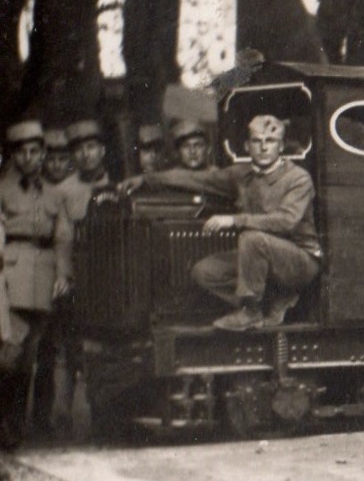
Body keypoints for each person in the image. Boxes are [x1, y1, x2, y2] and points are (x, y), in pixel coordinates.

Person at [125, 115, 320, 332]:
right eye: (257, 141)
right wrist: (146, 179)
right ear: (247, 146)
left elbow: (286, 221)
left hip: (299, 262)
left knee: (252, 238)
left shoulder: (298, 178)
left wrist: (234, 220)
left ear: (281, 146)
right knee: (204, 272)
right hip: (260, 260)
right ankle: (272, 300)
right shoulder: (241, 174)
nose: (264, 148)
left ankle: (251, 313)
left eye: (271, 141)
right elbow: (197, 179)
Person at [0, 121, 73, 446]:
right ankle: (5, 423)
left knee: (29, 357)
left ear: (43, 154)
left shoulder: (55, 195)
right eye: (22, 152)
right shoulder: (3, 191)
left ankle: (15, 428)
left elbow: (62, 238)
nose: (29, 158)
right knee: (9, 355)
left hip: (43, 277)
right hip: (10, 275)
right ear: (14, 157)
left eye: (35, 151)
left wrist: (63, 274)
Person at [58, 119, 116, 223]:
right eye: (79, 149)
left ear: (102, 150)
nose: (85, 155)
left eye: (91, 147)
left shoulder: (116, 183)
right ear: (72, 156)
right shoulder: (63, 189)